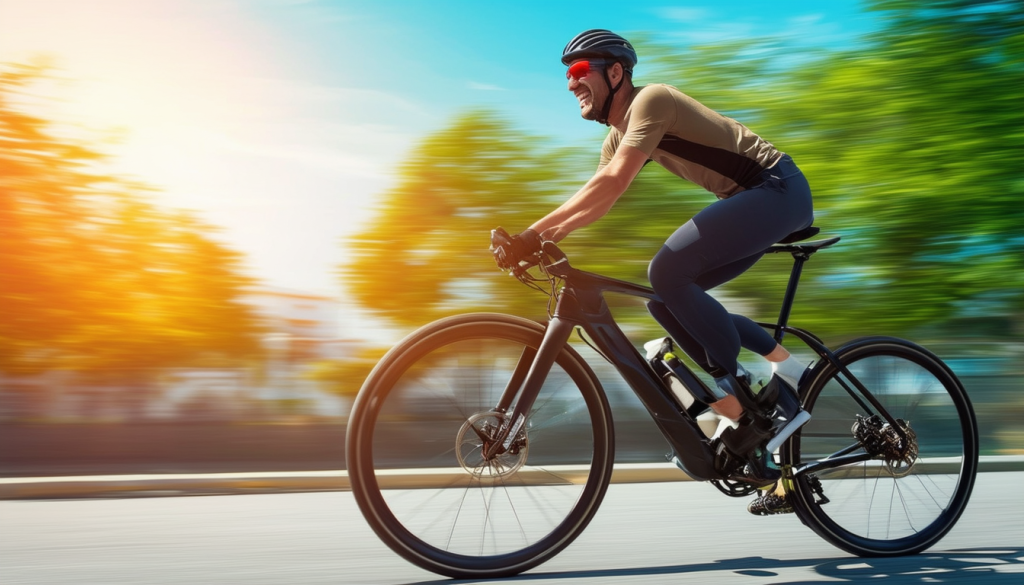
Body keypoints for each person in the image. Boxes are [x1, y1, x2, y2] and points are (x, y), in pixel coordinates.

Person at [500, 29, 813, 515]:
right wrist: (543, 239)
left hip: (777, 190)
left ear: (616, 73)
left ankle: (743, 399)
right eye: (567, 76)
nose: (570, 84)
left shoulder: (652, 101)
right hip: (750, 201)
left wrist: (530, 233)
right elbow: (600, 199)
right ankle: (780, 379)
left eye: (580, 72)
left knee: (666, 272)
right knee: (665, 301)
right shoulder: (616, 136)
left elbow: (613, 179)